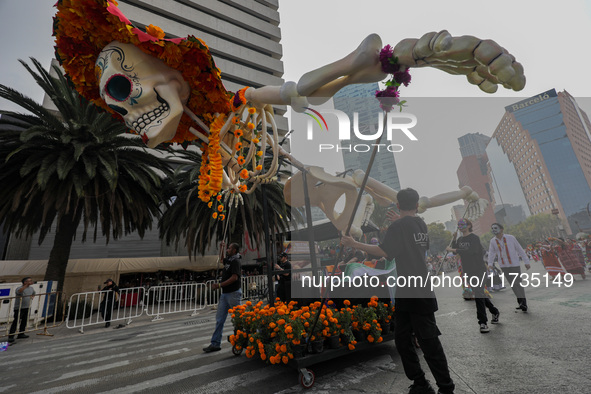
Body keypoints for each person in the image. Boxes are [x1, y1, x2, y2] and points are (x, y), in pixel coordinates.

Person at [342, 188, 454, 394]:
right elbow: (409, 240)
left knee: (428, 342)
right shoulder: (420, 224)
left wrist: (354, 243)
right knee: (402, 340)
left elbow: (385, 252)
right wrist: (397, 221)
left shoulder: (400, 225)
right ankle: (420, 382)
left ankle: (446, 387)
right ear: (417, 205)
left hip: (416, 291)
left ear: (399, 205)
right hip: (410, 290)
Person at [447, 219, 500, 333]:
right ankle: (494, 311)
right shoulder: (460, 239)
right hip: (468, 271)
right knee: (478, 292)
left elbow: (472, 251)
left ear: (469, 225)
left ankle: (482, 322)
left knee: (478, 295)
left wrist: (454, 249)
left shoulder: (474, 238)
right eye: (459, 225)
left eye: (463, 224)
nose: (461, 226)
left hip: (479, 270)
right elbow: (456, 251)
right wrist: (454, 239)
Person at [203, 242, 242, 353]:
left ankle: (239, 340)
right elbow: (221, 260)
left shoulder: (236, 261)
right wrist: (222, 248)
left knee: (237, 319)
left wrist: (220, 285)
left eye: (229, 248)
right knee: (219, 319)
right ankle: (215, 343)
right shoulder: (229, 260)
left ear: (234, 250)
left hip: (233, 293)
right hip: (225, 294)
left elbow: (234, 277)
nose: (227, 250)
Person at [487, 223, 531, 312]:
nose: (494, 230)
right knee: (513, 284)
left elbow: (520, 249)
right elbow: (491, 253)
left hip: (514, 264)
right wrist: (490, 264)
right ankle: (521, 303)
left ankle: (523, 303)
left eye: (496, 228)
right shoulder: (493, 241)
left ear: (502, 229)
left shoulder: (510, 238)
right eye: (492, 228)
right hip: (504, 266)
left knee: (517, 283)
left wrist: (526, 261)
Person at [7, 277, 36, 344]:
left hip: (27, 307)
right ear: (25, 282)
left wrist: (32, 297)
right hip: (19, 307)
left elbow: (34, 293)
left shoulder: (31, 288)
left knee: (24, 320)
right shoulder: (19, 288)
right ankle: (11, 336)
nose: (31, 282)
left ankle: (21, 333)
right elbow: (19, 291)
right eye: (29, 281)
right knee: (16, 321)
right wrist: (25, 285)